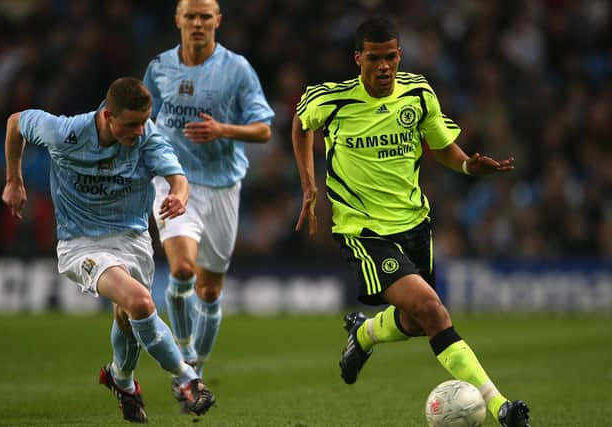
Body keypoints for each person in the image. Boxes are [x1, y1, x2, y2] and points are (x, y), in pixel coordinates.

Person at [291, 18, 531, 427]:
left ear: (399, 55)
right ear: (358, 59)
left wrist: (469, 165)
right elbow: (300, 125)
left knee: (420, 322)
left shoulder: (419, 94)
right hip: (364, 231)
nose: (383, 66)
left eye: (390, 57)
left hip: (415, 223)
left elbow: (443, 149)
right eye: (374, 58)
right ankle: (501, 407)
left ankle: (364, 334)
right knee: (432, 309)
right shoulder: (331, 100)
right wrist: (309, 187)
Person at [1, 77, 216, 422]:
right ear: (107, 116)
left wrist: (179, 196)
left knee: (128, 317)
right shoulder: (65, 132)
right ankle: (187, 378)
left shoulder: (147, 138)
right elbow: (16, 122)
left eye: (144, 122)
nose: (139, 130)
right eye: (131, 124)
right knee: (141, 303)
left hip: (133, 242)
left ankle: (121, 379)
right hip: (81, 243)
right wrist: (14, 180)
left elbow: (179, 178)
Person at [142, 0, 274, 377]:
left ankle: (198, 358)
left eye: (205, 17)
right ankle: (185, 365)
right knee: (182, 269)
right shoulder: (159, 68)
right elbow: (143, 118)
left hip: (222, 184)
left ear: (217, 20)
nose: (197, 23)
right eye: (191, 16)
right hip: (173, 179)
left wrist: (223, 130)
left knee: (210, 290)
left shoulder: (237, 69)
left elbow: (263, 129)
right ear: (178, 20)